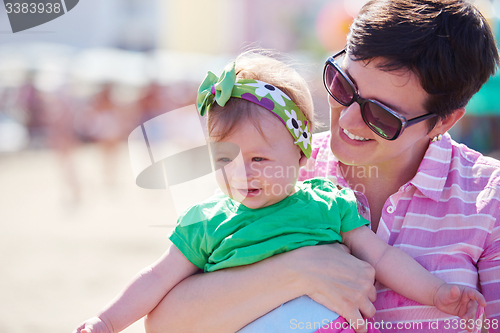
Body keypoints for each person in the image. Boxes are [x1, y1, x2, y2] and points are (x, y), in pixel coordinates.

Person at [143, 0, 500, 333]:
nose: (347, 119)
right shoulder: (276, 162)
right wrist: (297, 271)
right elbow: (166, 323)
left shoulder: (489, 200)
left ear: (444, 121)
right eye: (343, 86)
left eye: (381, 115)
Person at [73, 51, 486, 333]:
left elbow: (382, 258)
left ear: (303, 153)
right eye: (223, 160)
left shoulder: (326, 202)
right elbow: (157, 278)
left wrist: (434, 292)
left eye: (259, 160)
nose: (241, 175)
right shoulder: (206, 221)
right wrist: (106, 323)